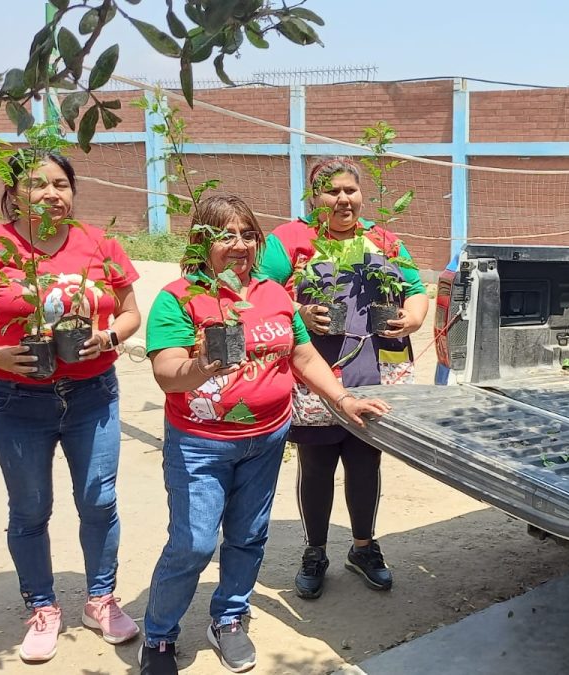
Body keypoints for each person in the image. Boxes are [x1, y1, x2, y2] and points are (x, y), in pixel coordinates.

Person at [138, 195, 389, 675]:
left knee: (249, 535)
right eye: (225, 235)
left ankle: (229, 618)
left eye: (247, 234)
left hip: (267, 437)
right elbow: (167, 373)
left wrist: (343, 399)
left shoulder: (273, 293)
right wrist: (200, 365)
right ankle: (160, 634)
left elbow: (302, 355)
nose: (238, 245)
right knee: (192, 543)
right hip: (201, 442)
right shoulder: (179, 297)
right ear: (201, 241)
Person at [0, 151, 143, 662]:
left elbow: (132, 313)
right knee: (30, 508)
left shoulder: (101, 244)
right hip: (15, 400)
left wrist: (109, 336)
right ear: (13, 192)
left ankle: (101, 599)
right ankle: (42, 606)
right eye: (37, 185)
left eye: (61, 184)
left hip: (92, 394)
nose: (52, 194)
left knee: (98, 499)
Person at [259, 157, 428, 599]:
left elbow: (415, 288)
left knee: (365, 460)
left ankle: (363, 546)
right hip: (314, 370)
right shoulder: (290, 240)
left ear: (361, 193)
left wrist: (412, 317)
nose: (342, 200)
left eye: (350, 190)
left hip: (375, 369)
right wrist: (297, 310)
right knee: (316, 465)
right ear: (313, 196)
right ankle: (315, 551)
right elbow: (258, 292)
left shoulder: (383, 238)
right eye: (331, 191)